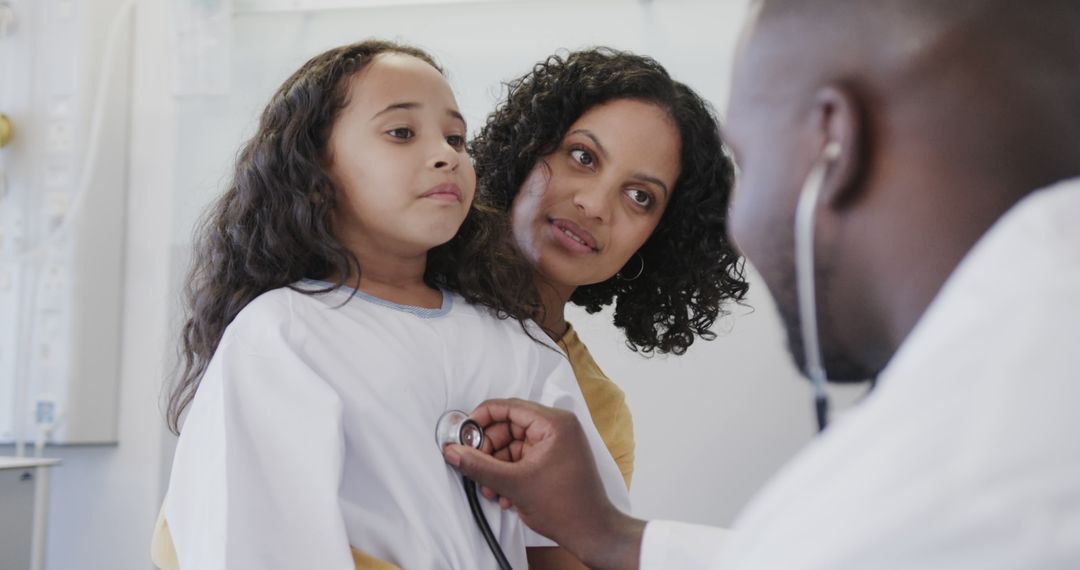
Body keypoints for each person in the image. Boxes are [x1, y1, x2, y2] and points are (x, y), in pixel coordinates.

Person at [443, 0, 1080, 568]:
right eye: (583, 157)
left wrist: (603, 538)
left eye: (748, 158)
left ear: (833, 141)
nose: (740, 229)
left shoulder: (990, 446)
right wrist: (609, 534)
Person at [150, 40, 628, 569]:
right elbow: (254, 545)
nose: (447, 154)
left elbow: (581, 543)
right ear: (314, 174)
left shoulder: (522, 346)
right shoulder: (283, 333)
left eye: (456, 138)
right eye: (401, 133)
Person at [470, 48, 749, 568]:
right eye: (583, 156)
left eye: (640, 196)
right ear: (528, 148)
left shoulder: (596, 414)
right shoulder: (399, 288)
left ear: (658, 239)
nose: (595, 205)